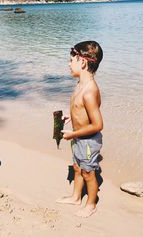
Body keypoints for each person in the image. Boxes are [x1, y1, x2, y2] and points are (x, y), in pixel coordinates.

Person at [57, 41, 103, 218]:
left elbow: (98, 124)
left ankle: (91, 204)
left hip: (88, 140)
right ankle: (76, 197)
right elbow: (80, 108)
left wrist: (74, 133)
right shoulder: (80, 84)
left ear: (82, 63)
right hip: (78, 137)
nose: (69, 64)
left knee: (88, 172)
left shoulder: (90, 90)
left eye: (71, 60)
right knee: (77, 167)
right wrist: (71, 117)